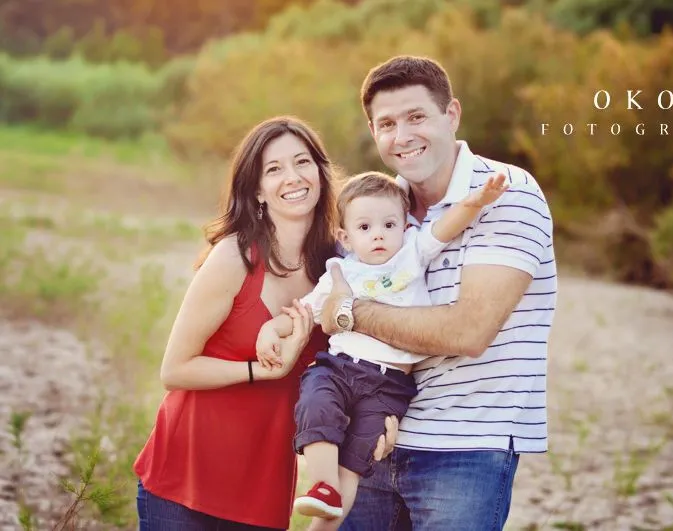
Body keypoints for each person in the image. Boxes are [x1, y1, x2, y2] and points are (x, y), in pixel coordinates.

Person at [312, 56, 558, 531]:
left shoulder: (507, 193)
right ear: (373, 132)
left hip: (464, 448)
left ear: (452, 115)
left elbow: (468, 331)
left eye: (416, 117)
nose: (402, 136)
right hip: (374, 435)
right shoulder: (378, 209)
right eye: (387, 124)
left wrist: (347, 312)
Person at [133, 116, 390, 530]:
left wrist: (382, 415)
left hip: (262, 489)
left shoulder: (344, 267)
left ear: (321, 174)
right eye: (274, 169)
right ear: (257, 189)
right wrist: (265, 370)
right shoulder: (235, 256)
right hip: (184, 476)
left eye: (302, 162)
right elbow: (175, 369)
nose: (293, 177)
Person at [255, 171, 508, 521]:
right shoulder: (340, 272)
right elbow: (307, 311)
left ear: (404, 227)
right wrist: (272, 327)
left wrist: (474, 202)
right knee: (316, 404)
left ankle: (327, 517)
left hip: (388, 384)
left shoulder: (411, 254)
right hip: (339, 368)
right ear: (344, 236)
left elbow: (445, 227)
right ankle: (323, 485)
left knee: (360, 454)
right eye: (364, 228)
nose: (378, 234)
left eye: (389, 225)